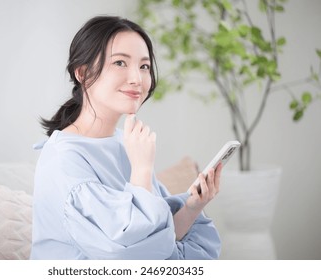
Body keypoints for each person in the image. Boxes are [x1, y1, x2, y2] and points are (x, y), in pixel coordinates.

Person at [30, 15, 222, 260]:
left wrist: (193, 207)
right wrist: (142, 168)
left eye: (144, 66)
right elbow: (131, 253)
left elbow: (159, 240)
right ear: (82, 72)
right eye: (120, 63)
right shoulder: (63, 159)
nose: (136, 78)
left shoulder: (126, 142)